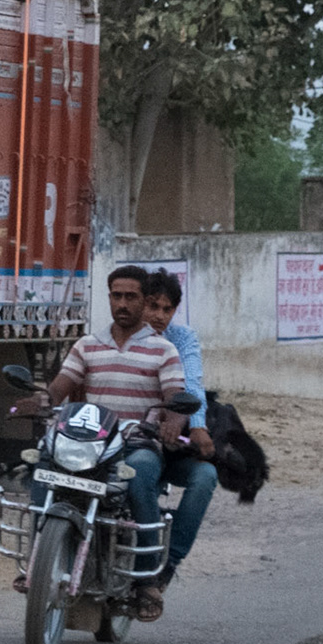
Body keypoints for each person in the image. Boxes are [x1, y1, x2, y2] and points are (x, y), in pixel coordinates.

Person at [39, 264, 187, 621]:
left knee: (140, 476)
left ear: (144, 300)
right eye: (116, 295)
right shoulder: (87, 345)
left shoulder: (163, 350)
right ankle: (39, 556)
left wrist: (175, 420)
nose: (122, 303)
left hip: (136, 444)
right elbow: (60, 387)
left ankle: (147, 577)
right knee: (42, 464)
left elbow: (176, 396)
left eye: (131, 297)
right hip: (90, 442)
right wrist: (41, 401)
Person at [139, 269, 218, 613]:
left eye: (166, 309)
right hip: (132, 439)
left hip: (173, 439)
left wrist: (196, 426)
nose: (158, 315)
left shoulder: (182, 340)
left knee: (206, 477)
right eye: (152, 305)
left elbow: (192, 383)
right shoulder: (117, 336)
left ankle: (166, 566)